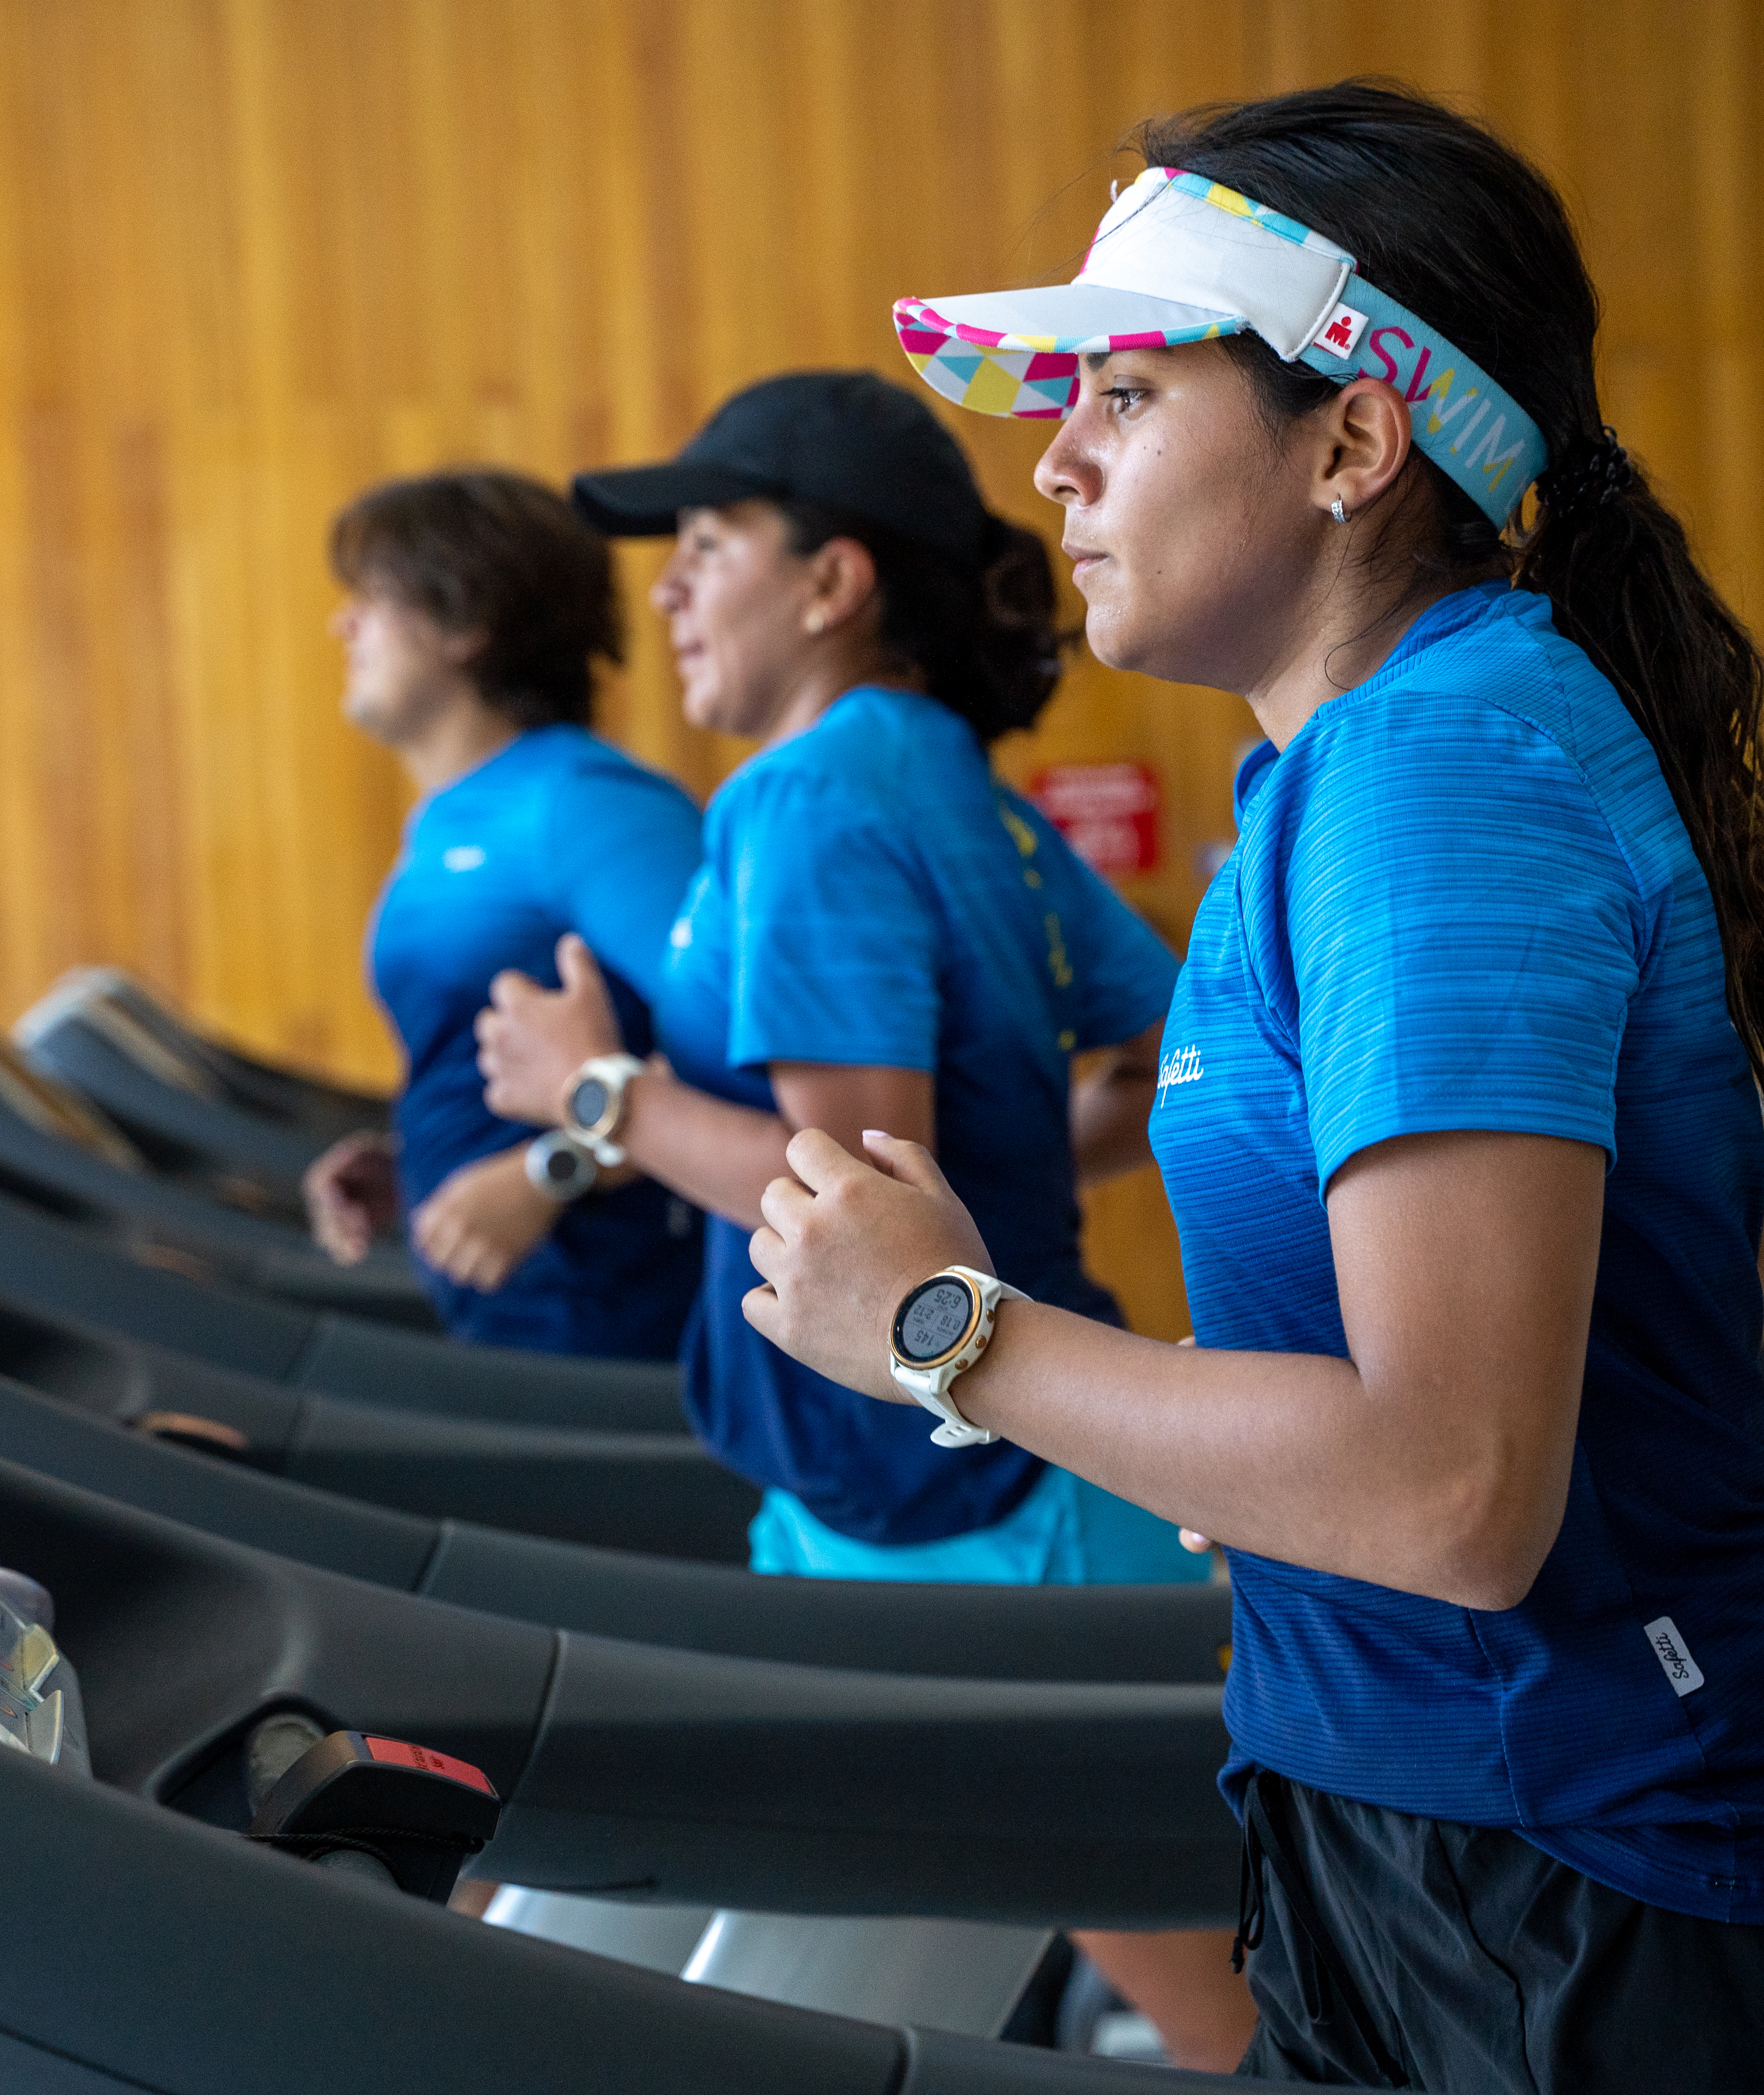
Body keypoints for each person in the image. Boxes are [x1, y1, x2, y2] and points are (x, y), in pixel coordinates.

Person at [742, 84, 1764, 2092]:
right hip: (1439, 1841)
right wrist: (1270, 1467)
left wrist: (950, 1334)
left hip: (1639, 1897)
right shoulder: (1353, 763)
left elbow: (1459, 1495)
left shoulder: (1436, 772)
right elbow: (1738, 1244)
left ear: (1355, 441)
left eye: (1126, 399)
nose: (1054, 462)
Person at [471, 369, 1257, 2069]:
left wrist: (591, 1094)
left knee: (1225, 2017)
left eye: (707, 543)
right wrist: (1004, 1175)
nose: (666, 587)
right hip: (912, 1484)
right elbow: (1170, 1052)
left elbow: (847, 1201)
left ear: (833, 585)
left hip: (951, 1507)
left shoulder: (807, 796)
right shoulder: (953, 786)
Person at [298, 469, 703, 1361]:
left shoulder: (587, 806)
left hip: (615, 1326)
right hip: (514, 1313)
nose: (344, 623)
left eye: (372, 597)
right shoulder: (453, 813)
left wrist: (550, 1170)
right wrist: (425, 1161)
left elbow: (754, 1053)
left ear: (465, 621)